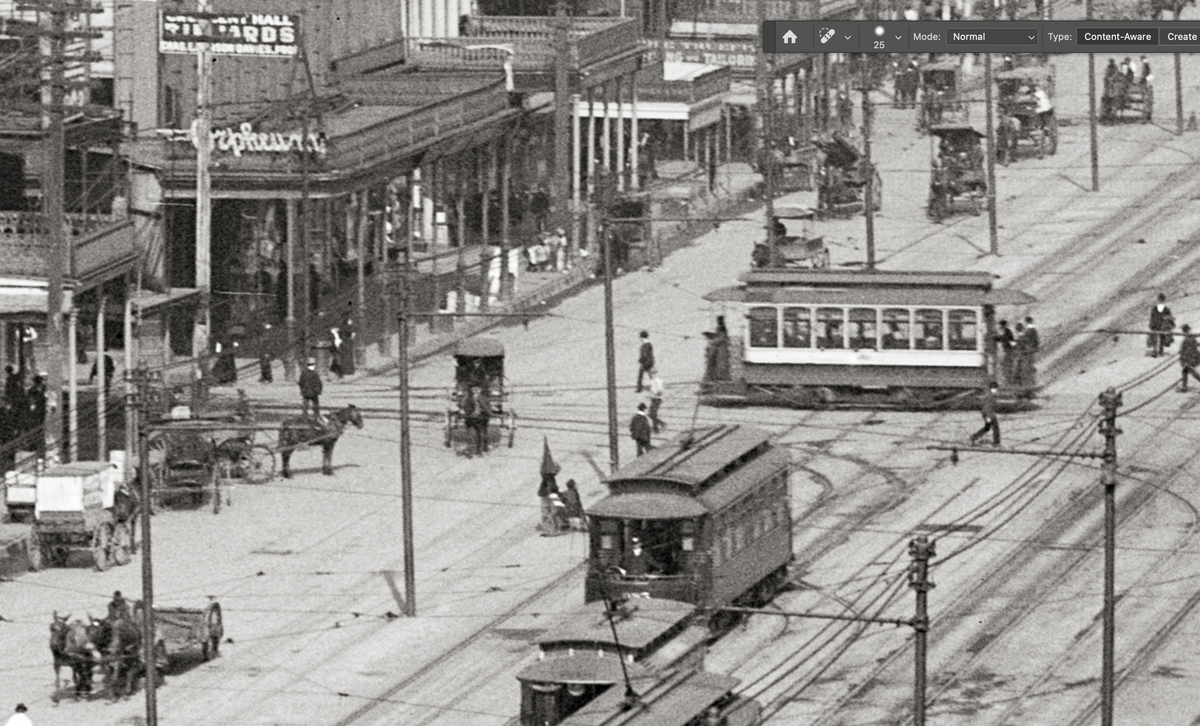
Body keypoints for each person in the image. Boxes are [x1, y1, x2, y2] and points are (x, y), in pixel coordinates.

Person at [969, 382, 1001, 447]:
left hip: (986, 413)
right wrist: (988, 417)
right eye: (995, 388)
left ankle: (974, 436)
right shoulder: (990, 395)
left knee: (987, 427)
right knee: (996, 427)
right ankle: (996, 442)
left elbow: (983, 400)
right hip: (989, 414)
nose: (995, 390)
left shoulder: (989, 394)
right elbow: (988, 406)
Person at [1148, 293, 1174, 358]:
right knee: (1155, 339)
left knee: (1162, 339)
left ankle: (1160, 350)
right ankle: (1155, 351)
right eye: (1159, 299)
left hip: (1163, 326)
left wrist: (1167, 320)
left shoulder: (1166, 309)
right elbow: (1152, 317)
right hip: (1156, 326)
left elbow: (1169, 317)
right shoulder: (1154, 309)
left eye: (1161, 300)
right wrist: (1152, 324)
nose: (1160, 301)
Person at [1017, 317, 1040, 390]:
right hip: (1030, 351)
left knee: (1028, 368)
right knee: (1030, 368)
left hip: (1028, 352)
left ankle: (1030, 385)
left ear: (1026, 322)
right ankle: (1031, 384)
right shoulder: (1032, 330)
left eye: (1025, 322)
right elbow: (1036, 341)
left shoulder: (1029, 331)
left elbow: (1025, 341)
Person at [537, 471, 563, 535]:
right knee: (550, 514)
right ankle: (551, 529)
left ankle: (552, 529)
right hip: (549, 497)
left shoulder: (547, 482)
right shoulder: (548, 482)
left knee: (551, 514)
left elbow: (541, 493)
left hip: (549, 497)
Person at [470, 386, 492, 455]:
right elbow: (488, 407)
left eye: (476, 390)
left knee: (478, 433)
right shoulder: (485, 398)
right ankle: (484, 448)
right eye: (474, 390)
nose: (475, 391)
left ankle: (478, 450)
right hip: (484, 416)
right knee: (484, 431)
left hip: (478, 416)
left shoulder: (473, 398)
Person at [994, 319, 1016, 385]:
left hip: (1004, 350)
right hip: (1005, 350)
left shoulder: (1004, 331)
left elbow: (998, 339)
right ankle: (1005, 380)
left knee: (1004, 365)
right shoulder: (1007, 331)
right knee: (1004, 365)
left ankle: (1005, 381)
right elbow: (1012, 341)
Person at [1180, 324, 1200, 392]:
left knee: (1191, 372)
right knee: (1185, 371)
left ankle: (1184, 387)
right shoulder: (1190, 337)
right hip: (1189, 357)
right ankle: (1184, 386)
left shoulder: (1189, 338)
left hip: (1190, 358)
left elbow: (1190, 348)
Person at [647, 368, 665, 433]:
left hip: (657, 399)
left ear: (655, 374)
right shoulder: (652, 381)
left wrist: (655, 394)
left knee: (652, 414)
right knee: (652, 414)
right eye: (650, 374)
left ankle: (661, 424)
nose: (650, 375)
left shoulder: (658, 381)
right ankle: (656, 428)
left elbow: (660, 391)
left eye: (652, 373)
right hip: (653, 399)